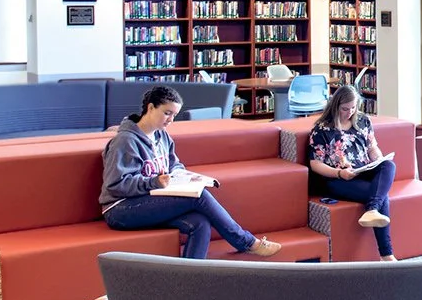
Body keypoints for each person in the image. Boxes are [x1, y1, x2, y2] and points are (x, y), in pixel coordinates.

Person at [102, 85, 281, 259]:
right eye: (167, 113)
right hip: (121, 209)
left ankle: (190, 283)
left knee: (200, 223)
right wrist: (153, 182)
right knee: (200, 196)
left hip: (151, 200)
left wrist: (184, 176)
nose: (170, 120)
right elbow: (116, 185)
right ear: (150, 107)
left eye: (174, 115)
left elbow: (174, 165)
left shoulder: (161, 135)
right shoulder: (125, 141)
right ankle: (246, 242)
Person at [307, 84, 398, 261]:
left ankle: (372, 210)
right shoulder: (322, 129)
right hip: (337, 178)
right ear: (335, 106)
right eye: (345, 109)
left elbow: (372, 147)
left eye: (353, 107)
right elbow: (315, 164)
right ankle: (386, 255)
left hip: (362, 170)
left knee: (389, 166)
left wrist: (378, 159)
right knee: (382, 196)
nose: (350, 112)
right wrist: (339, 173)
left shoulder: (363, 121)